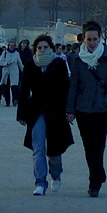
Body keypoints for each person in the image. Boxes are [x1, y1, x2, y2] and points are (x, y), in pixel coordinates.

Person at [66, 20, 107, 198]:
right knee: (89, 146)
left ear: (100, 38)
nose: (92, 43)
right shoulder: (76, 58)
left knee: (99, 144)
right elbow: (73, 85)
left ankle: (97, 174)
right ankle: (94, 180)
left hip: (102, 107)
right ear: (83, 39)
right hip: (83, 108)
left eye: (95, 39)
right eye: (89, 39)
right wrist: (70, 109)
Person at [17, 35, 73, 196]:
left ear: (51, 48)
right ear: (35, 49)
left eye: (45, 47)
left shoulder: (59, 64)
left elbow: (66, 88)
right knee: (38, 148)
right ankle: (40, 182)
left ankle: (55, 174)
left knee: (55, 151)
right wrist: (21, 113)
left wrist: (69, 111)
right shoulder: (30, 65)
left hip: (56, 111)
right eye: (39, 48)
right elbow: (24, 90)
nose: (42, 50)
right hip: (36, 110)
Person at [0, 40, 24, 106]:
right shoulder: (4, 53)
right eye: (11, 45)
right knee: (6, 87)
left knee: (14, 87)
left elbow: (20, 63)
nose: (12, 47)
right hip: (6, 73)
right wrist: (6, 63)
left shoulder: (17, 53)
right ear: (8, 46)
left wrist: (23, 70)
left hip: (14, 72)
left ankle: (15, 100)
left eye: (13, 46)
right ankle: (7, 102)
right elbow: (0, 62)